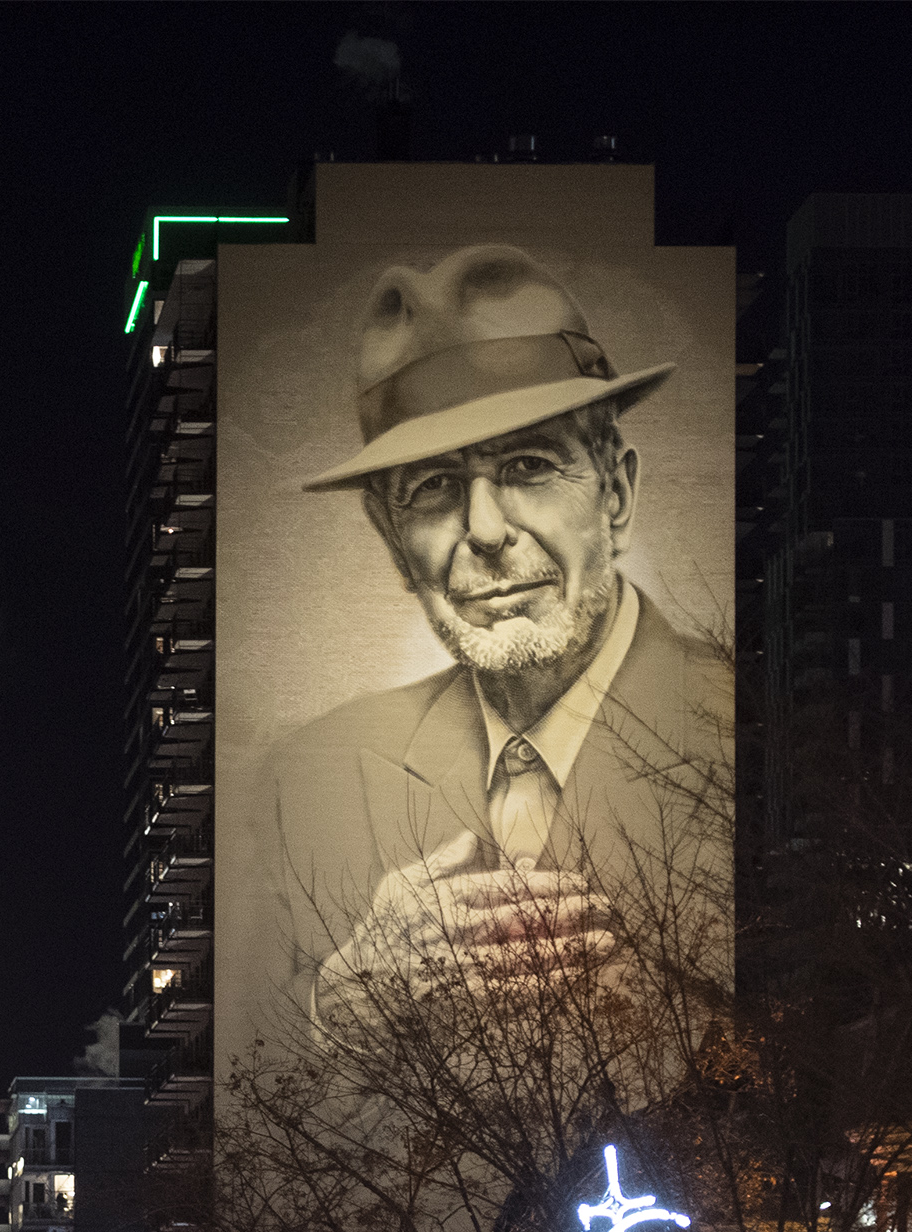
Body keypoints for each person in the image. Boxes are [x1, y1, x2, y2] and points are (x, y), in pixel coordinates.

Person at [250, 243, 729, 1027]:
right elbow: (258, 1093)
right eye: (435, 488)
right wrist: (341, 1014)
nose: (485, 531)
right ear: (389, 533)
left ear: (615, 493)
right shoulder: (297, 786)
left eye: (530, 466)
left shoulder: (742, 735)